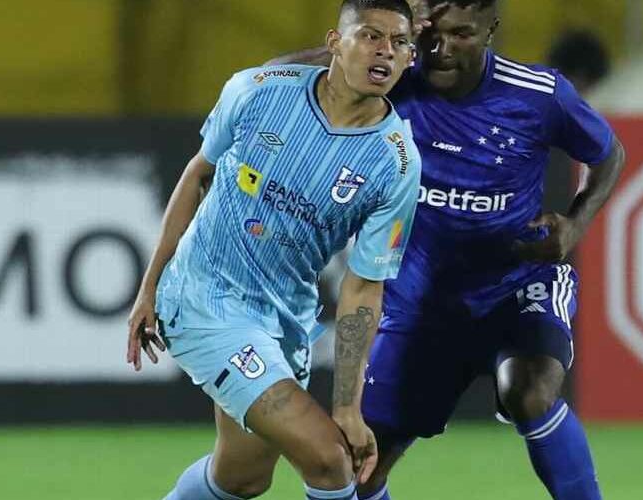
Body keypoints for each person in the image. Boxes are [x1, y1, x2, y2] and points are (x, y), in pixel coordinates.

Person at [269, 1, 626, 499]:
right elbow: (273, 77)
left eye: (461, 34)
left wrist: (574, 224)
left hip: (515, 287)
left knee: (528, 390)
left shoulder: (539, 96)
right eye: (430, 35)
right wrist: (367, 42)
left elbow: (609, 155)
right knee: (358, 469)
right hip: (419, 305)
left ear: (490, 31)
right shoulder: (394, 78)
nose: (441, 49)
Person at [126, 1, 423, 499]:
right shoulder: (258, 90)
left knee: (241, 478)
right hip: (203, 300)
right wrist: (149, 288)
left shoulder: (396, 163)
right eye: (371, 36)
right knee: (329, 459)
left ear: (410, 58)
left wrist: (348, 406)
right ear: (335, 43)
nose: (385, 51)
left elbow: (364, 287)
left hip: (284, 321)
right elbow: (198, 174)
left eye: (399, 42)